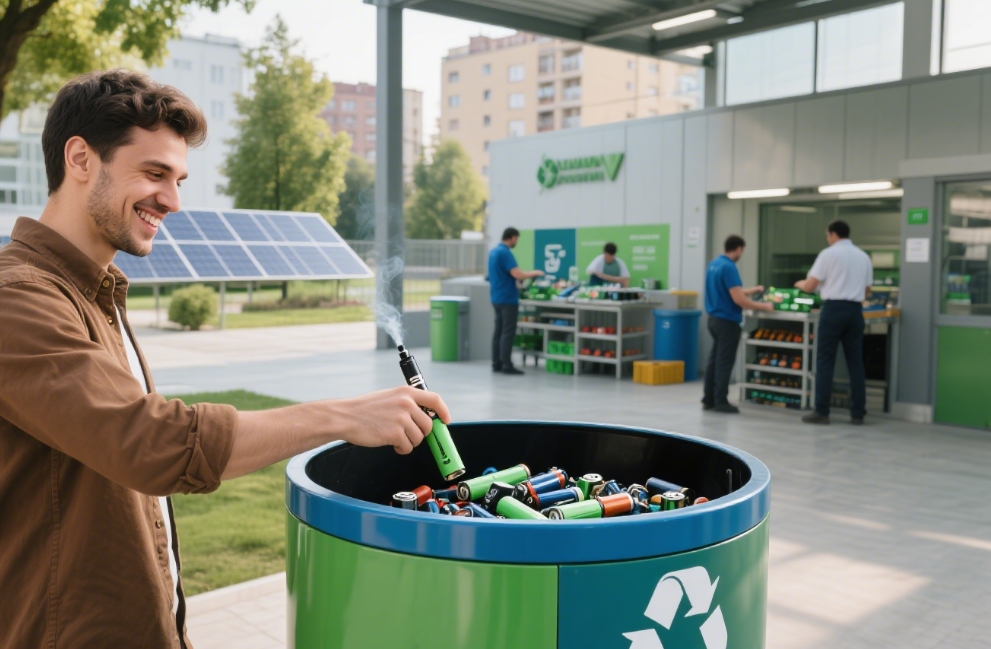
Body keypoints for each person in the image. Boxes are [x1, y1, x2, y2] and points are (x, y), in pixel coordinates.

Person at [0, 70, 450, 649]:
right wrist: (342, 417)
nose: (174, 200)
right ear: (81, 158)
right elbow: (152, 445)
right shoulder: (19, 300)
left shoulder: (97, 293)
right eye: (155, 173)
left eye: (179, 178)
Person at [795, 219, 873, 425]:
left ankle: (821, 411)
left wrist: (800, 283)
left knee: (825, 360)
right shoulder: (863, 257)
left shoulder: (828, 254)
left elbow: (811, 286)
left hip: (833, 310)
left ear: (832, 234)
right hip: (855, 311)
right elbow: (868, 291)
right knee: (855, 361)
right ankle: (858, 413)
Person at [703, 235, 773, 414]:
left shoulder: (714, 265)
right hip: (727, 321)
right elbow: (738, 299)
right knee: (724, 363)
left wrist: (753, 290)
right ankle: (721, 401)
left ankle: (708, 399)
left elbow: (730, 291)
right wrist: (763, 306)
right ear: (739, 248)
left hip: (713, 319)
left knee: (714, 361)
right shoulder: (729, 267)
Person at [488, 227, 543, 375]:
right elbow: (517, 273)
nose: (516, 242)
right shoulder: (505, 252)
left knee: (498, 332)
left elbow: (501, 275)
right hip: (508, 299)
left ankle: (496, 363)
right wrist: (535, 273)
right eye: (516, 239)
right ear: (511, 237)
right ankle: (507, 364)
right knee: (508, 332)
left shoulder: (493, 252)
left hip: (496, 297)